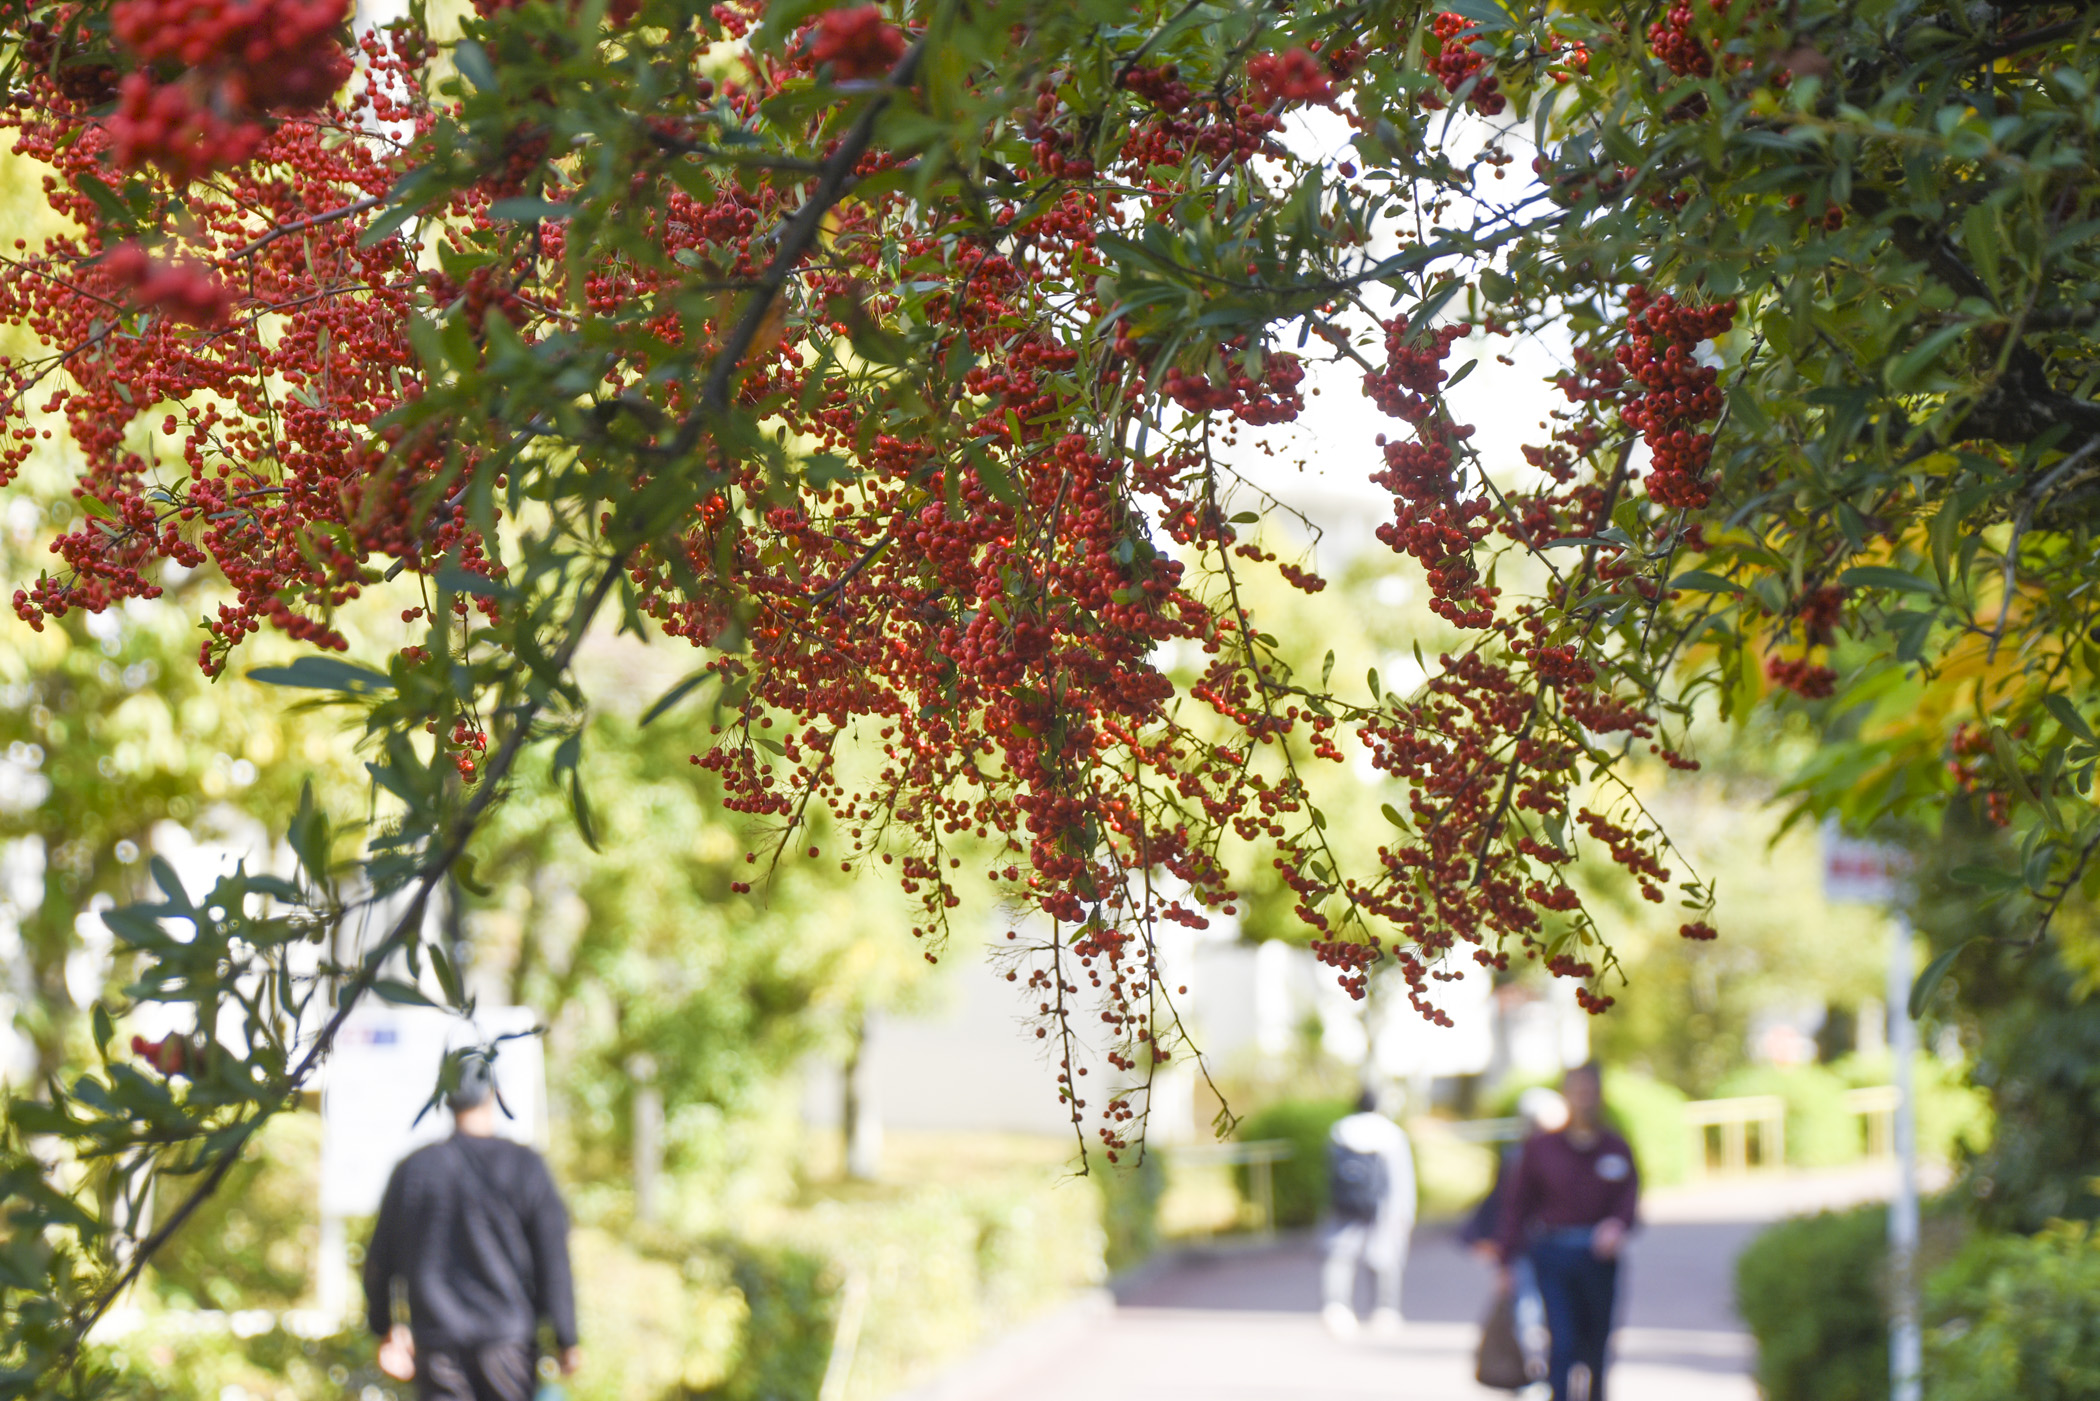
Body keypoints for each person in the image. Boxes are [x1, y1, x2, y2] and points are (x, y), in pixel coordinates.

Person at [365, 1051, 581, 1401]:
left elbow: (379, 1260)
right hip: (507, 1343)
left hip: (437, 1345)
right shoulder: (525, 1167)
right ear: (493, 1095)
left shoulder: (414, 1170)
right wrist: (566, 1337)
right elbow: (552, 1258)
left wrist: (385, 1328)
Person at [1494, 1063, 1638, 1401]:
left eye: (1591, 1093)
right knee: (1563, 1339)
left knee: (1597, 1342)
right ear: (1566, 1096)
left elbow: (1629, 1198)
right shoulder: (1541, 1149)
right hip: (1554, 1255)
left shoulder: (1615, 1148)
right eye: (1578, 1092)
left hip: (1598, 1259)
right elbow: (1517, 1204)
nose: (1584, 1100)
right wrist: (1505, 1260)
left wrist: (1617, 1224)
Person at [1463, 1086, 1569, 1380]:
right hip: (1525, 1247)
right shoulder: (1517, 1158)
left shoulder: (1563, 1155)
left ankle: (1546, 1371)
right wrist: (1502, 1258)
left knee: (1547, 1311)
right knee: (1527, 1309)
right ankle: (1533, 1370)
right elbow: (1504, 1206)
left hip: (1555, 1246)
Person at [1320, 1087, 1417, 1337]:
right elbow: (1401, 1177)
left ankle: (1336, 1307)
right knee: (1384, 1256)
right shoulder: (1390, 1133)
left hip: (1346, 1204)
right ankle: (1384, 1310)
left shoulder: (1341, 1130)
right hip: (1382, 1203)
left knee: (1340, 1254)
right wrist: (1405, 1210)